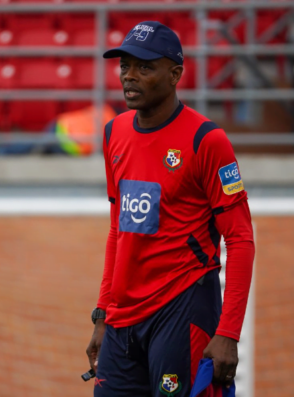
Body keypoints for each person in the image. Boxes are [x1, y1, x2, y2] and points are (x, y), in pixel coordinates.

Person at [85, 21, 255, 397]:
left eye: (144, 67)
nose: (129, 76)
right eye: (124, 66)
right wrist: (103, 314)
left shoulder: (207, 140)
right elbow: (119, 229)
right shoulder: (114, 132)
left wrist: (228, 332)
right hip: (122, 320)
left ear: (175, 74)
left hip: (182, 307)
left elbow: (240, 239)